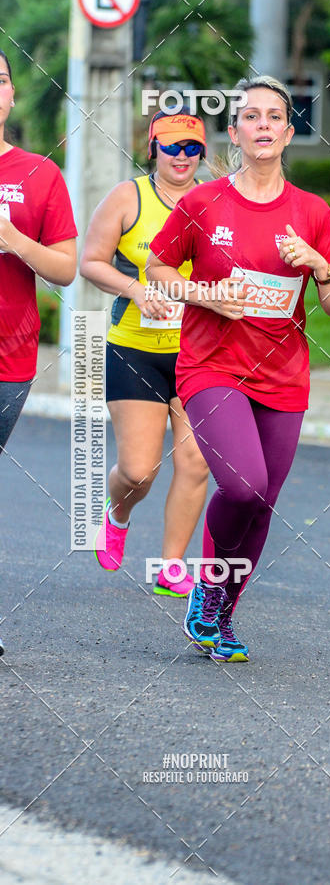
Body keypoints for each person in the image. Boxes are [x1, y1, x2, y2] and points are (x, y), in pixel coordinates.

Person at [146, 76, 330, 661]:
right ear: (234, 133)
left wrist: (319, 264)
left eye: (274, 116)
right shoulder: (203, 203)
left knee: (262, 503)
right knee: (243, 484)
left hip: (283, 376)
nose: (263, 125)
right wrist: (204, 295)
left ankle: (219, 611)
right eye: (251, 116)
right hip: (212, 366)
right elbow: (158, 269)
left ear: (288, 132)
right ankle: (209, 593)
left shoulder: (311, 213)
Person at [80, 109, 209, 597]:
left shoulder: (214, 200)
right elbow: (89, 262)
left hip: (200, 353)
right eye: (171, 147)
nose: (182, 157)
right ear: (153, 148)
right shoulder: (127, 196)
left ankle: (171, 564)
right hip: (136, 349)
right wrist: (135, 289)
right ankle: (118, 514)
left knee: (196, 460)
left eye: (191, 147)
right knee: (139, 471)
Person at [0, 49, 77, 655]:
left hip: (10, 355)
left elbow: (67, 268)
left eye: (0, 80)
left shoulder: (39, 176)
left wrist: (13, 239)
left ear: (11, 95)